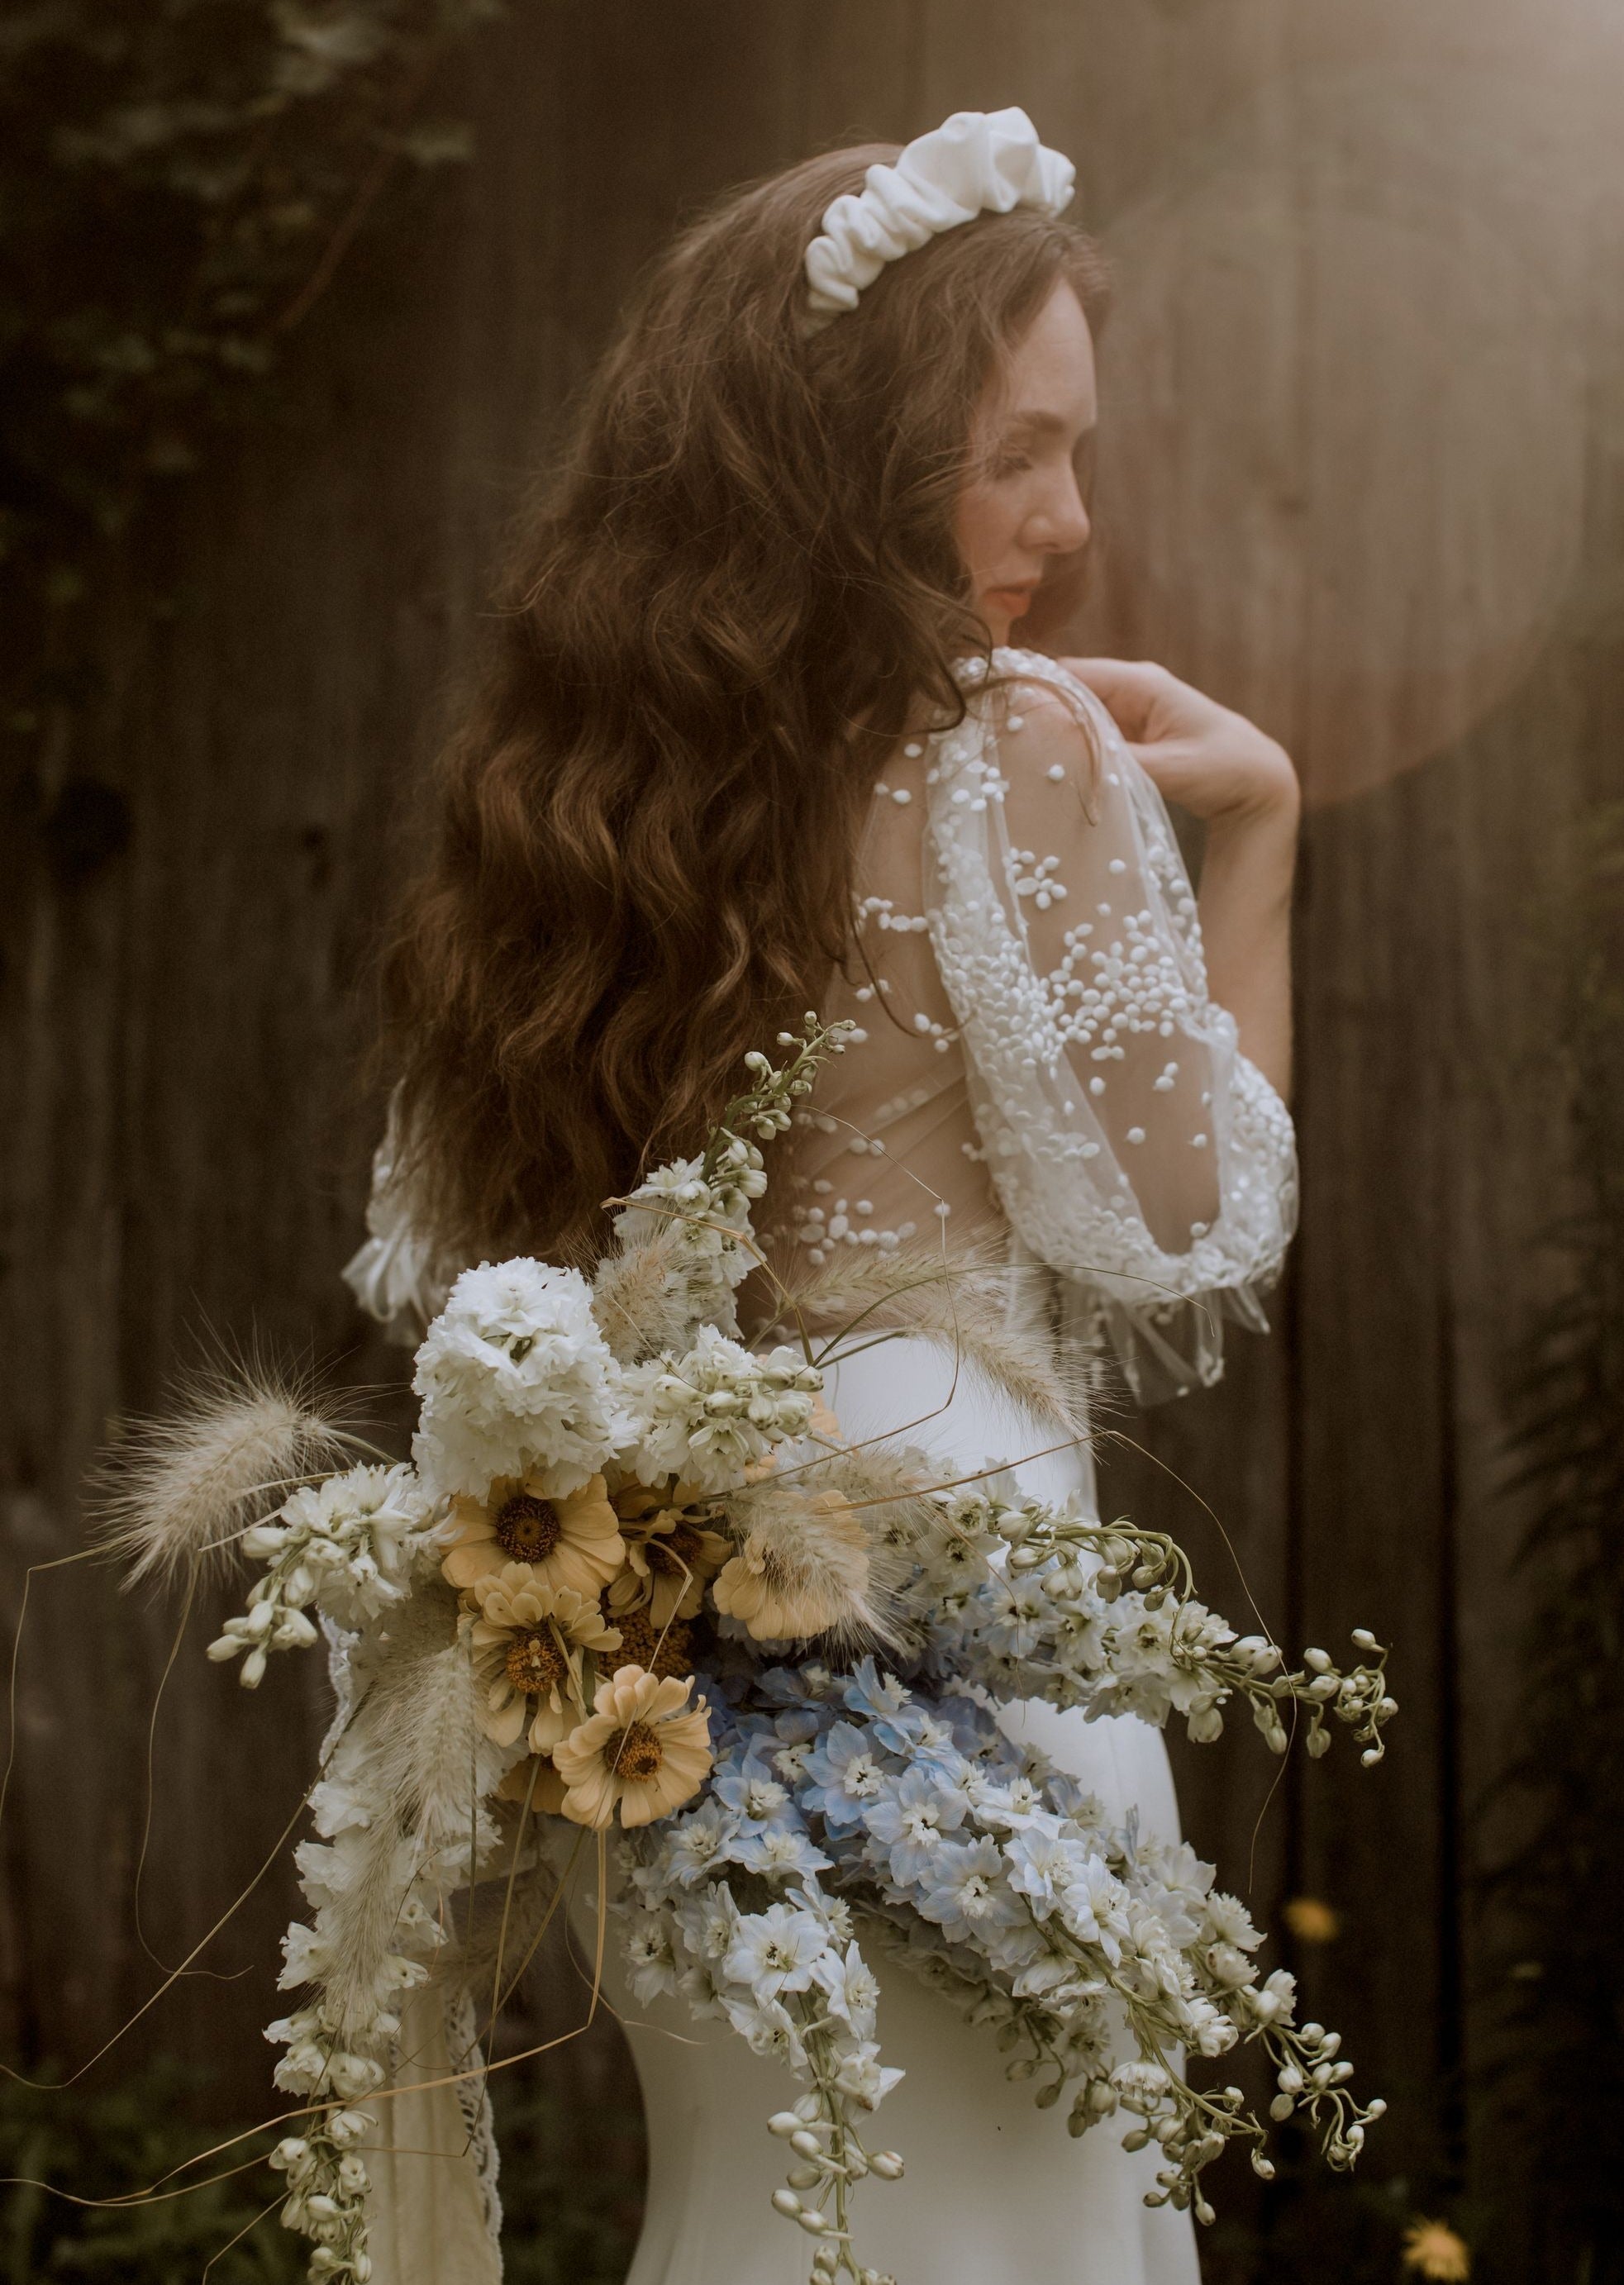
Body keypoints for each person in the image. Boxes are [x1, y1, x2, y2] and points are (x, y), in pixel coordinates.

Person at [348, 108, 1299, 2285]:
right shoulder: (1017, 749)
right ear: (843, 454)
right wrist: (1261, 834)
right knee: (1010, 2223)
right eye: (1015, 452)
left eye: (1076, 450)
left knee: (776, 2212)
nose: (1067, 515)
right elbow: (1192, 1220)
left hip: (659, 1599)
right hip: (958, 1572)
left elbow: (472, 1277)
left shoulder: (567, 812)